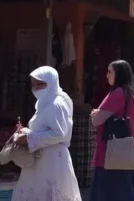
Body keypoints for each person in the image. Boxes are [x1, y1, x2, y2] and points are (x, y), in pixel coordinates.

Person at [13, 66, 82, 201]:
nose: (37, 88)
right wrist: (25, 132)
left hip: (52, 161)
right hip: (40, 160)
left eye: (41, 84)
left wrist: (29, 138)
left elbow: (59, 134)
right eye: (34, 85)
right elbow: (44, 129)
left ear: (51, 82)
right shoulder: (43, 103)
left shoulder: (56, 104)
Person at [90, 60, 134, 201]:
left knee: (106, 192)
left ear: (119, 74)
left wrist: (95, 112)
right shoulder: (132, 94)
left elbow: (97, 119)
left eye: (110, 72)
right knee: (124, 189)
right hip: (125, 150)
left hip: (109, 151)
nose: (107, 75)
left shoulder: (117, 93)